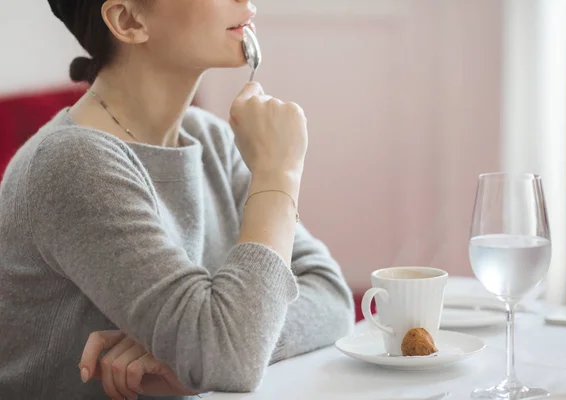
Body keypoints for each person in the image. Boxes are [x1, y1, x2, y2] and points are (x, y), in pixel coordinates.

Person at [0, 0, 354, 399]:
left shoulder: (212, 138)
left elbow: (332, 297)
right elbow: (226, 357)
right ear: (128, 20)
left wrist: (194, 350)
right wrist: (277, 174)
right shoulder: (72, 164)